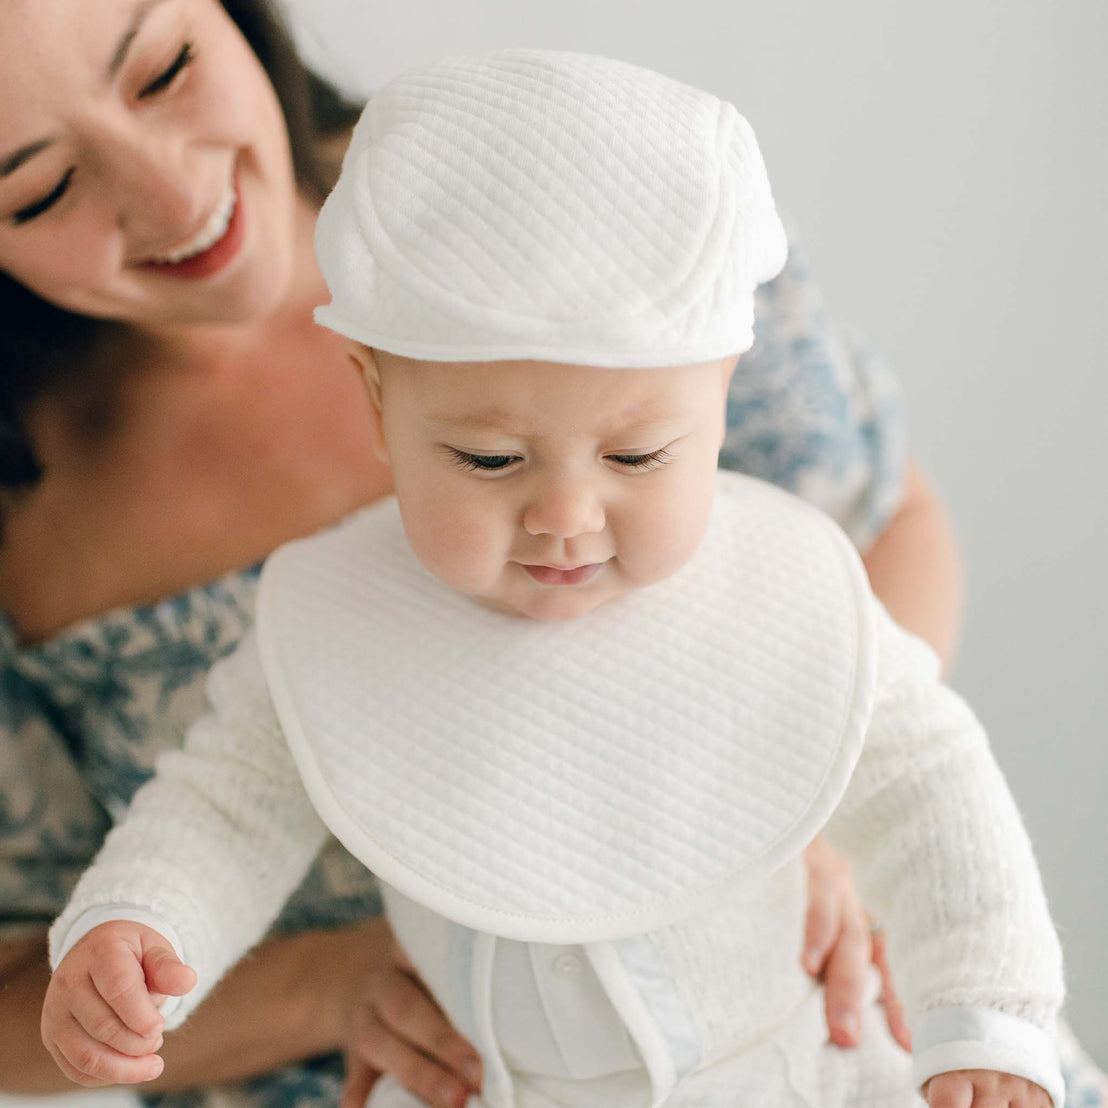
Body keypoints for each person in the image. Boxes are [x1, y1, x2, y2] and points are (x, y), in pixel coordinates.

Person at [2, 2, 1101, 1107]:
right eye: (486, 459)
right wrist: (130, 928)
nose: (565, 514)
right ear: (376, 400)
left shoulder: (634, 221)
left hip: (802, 1053)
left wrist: (983, 1026)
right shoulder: (333, 610)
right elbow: (224, 804)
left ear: (721, 382)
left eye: (637, 454)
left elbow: (932, 786)